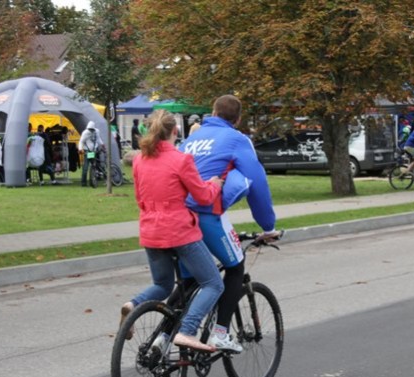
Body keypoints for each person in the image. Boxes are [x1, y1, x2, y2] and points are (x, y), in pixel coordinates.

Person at [179, 94, 279, 352]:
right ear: (238, 118)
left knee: (190, 281)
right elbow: (257, 181)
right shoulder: (237, 139)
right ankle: (220, 333)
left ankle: (162, 338)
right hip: (208, 213)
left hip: (178, 217)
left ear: (212, 112)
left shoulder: (190, 139)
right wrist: (267, 226)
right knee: (235, 267)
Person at [120, 109, 224, 352]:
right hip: (179, 232)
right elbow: (203, 196)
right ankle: (187, 330)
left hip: (150, 231)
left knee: (163, 285)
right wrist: (214, 184)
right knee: (213, 283)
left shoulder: (139, 161)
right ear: (175, 131)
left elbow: (139, 198)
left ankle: (133, 304)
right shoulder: (181, 160)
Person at [78, 121, 104, 187]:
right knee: (85, 168)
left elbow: (98, 139)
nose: (91, 131)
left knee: (95, 166)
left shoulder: (96, 132)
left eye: (92, 129)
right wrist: (80, 149)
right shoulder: (85, 133)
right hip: (87, 151)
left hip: (94, 151)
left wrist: (102, 144)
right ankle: (83, 183)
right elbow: (81, 141)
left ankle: (95, 180)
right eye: (90, 129)